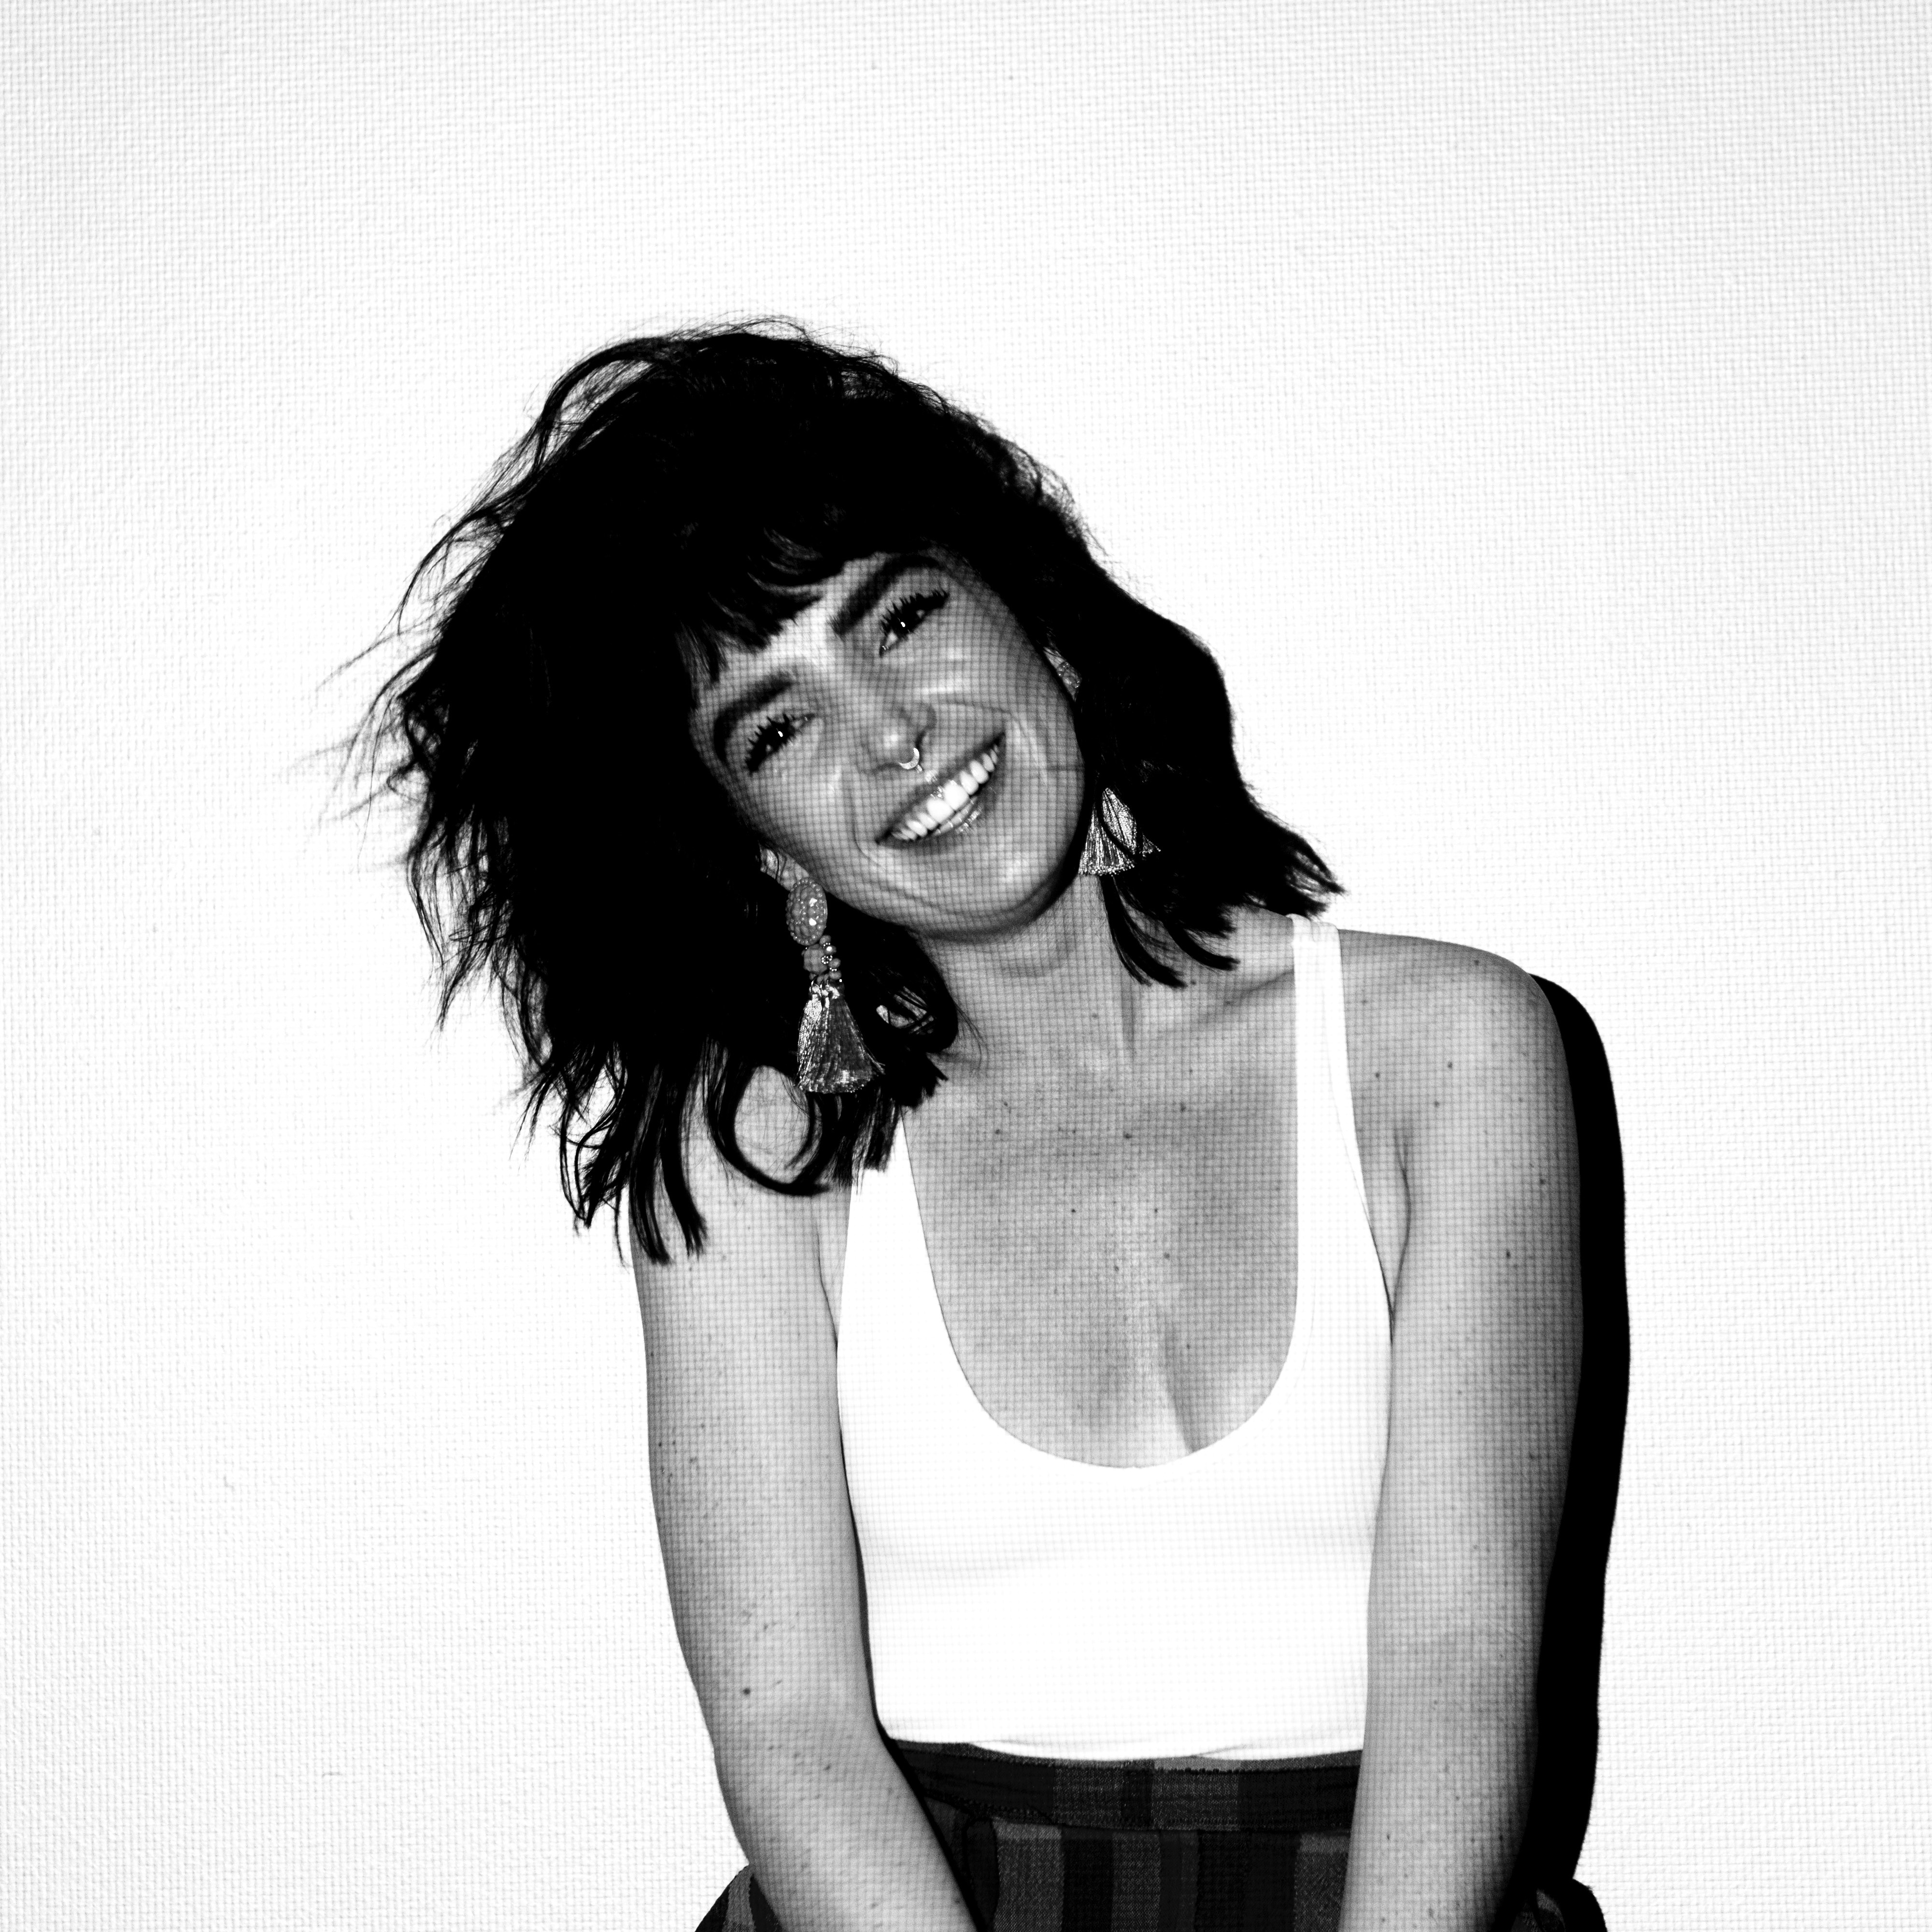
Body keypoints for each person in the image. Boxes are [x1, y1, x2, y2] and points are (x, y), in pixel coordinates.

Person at [355, 323, 1604, 1932]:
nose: (892, 731)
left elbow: (1465, 1656)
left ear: (1035, 619)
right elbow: (790, 1738)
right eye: (780, 727)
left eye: (902, 619)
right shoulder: (756, 1160)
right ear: (757, 842)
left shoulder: (1448, 1056)